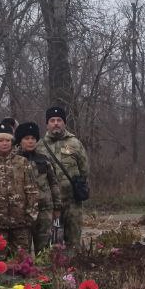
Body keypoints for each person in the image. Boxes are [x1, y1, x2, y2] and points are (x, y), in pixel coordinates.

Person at [0, 123, 40, 259]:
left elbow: (32, 190)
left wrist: (31, 214)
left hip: (21, 222)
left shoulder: (22, 162)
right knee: (0, 262)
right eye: (0, 140)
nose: (4, 143)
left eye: (7, 140)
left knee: (22, 261)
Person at [41, 106, 89, 247]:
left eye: (59, 120)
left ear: (64, 123)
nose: (56, 123)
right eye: (52, 120)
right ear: (47, 124)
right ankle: (56, 269)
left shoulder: (75, 143)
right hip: (50, 205)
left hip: (72, 203)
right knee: (53, 244)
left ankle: (74, 267)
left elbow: (84, 169)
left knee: (73, 241)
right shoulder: (39, 146)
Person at [16, 121, 61, 253]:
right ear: (20, 141)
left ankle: (44, 273)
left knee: (45, 250)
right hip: (22, 212)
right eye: (26, 138)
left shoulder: (44, 159)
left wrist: (57, 207)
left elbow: (54, 183)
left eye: (33, 138)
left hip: (44, 210)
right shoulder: (14, 161)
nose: (30, 141)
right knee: (22, 251)